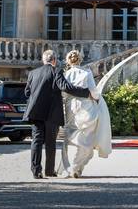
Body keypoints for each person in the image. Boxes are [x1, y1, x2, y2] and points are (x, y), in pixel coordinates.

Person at [23, 49, 91, 179]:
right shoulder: (56, 71)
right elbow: (65, 87)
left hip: (36, 112)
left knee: (36, 141)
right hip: (51, 113)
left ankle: (36, 170)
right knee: (50, 142)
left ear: (44, 60)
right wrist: (86, 93)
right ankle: (49, 171)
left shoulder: (33, 73)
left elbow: (27, 93)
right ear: (54, 60)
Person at [58, 50, 112, 178]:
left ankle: (70, 167)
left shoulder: (66, 74)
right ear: (80, 60)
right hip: (86, 107)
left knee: (69, 137)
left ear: (68, 61)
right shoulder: (86, 73)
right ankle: (77, 166)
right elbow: (93, 91)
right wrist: (97, 99)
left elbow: (63, 93)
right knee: (86, 139)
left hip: (71, 107)